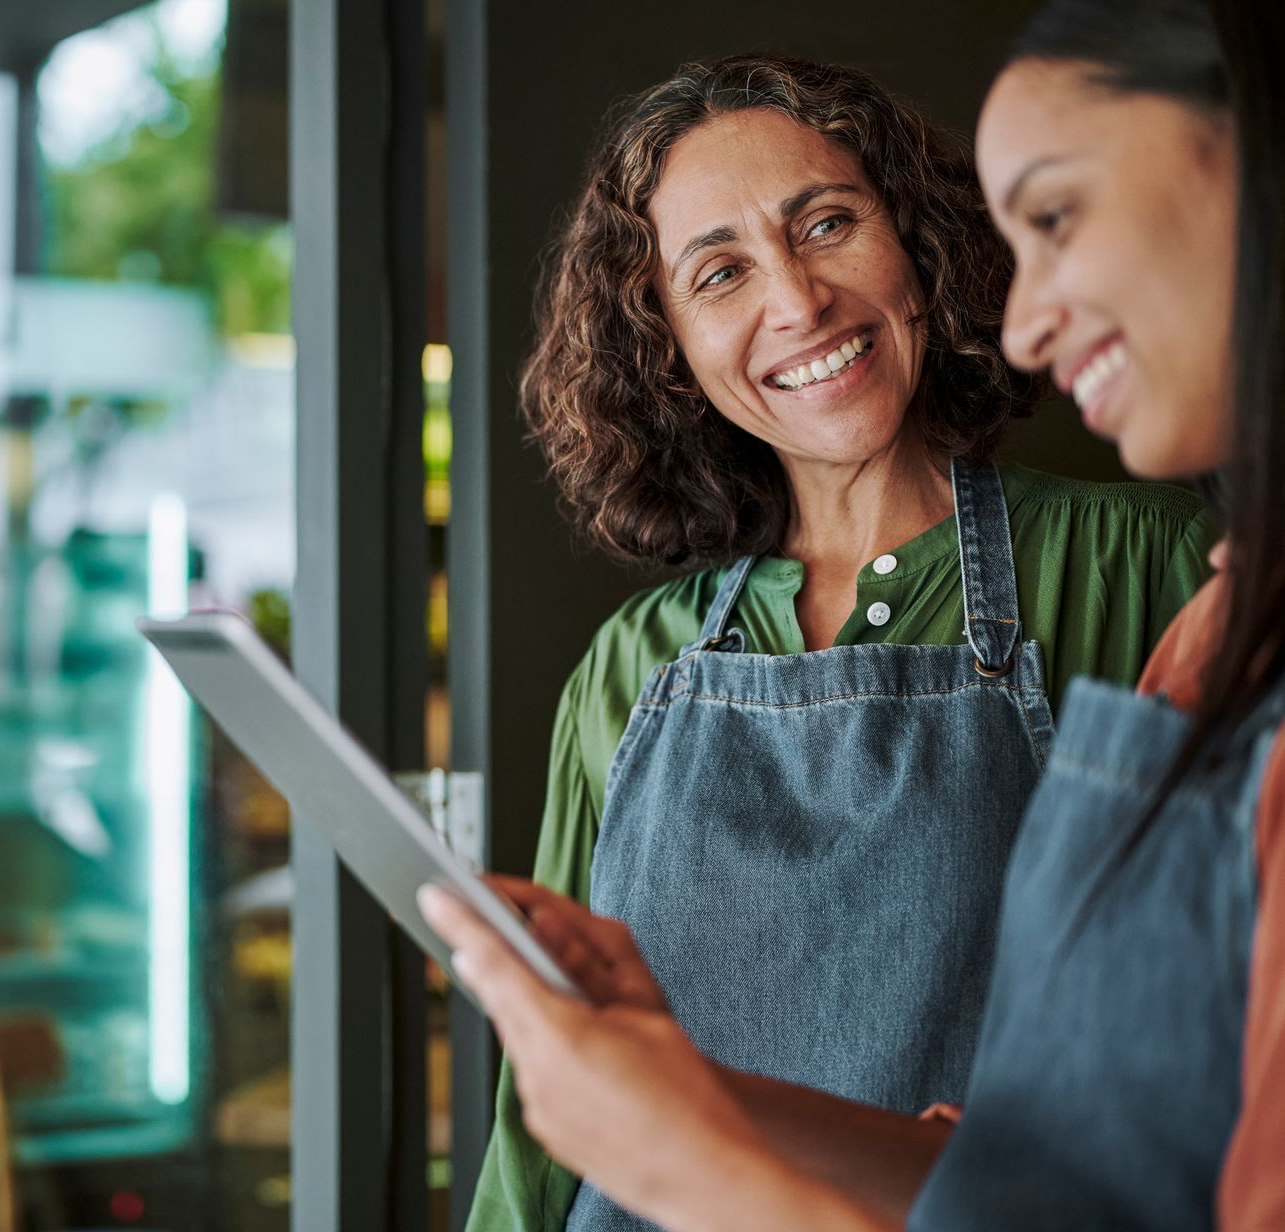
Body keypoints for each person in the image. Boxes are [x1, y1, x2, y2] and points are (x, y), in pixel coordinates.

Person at [426, 0, 1285, 1227]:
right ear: (662, 340)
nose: (798, 298)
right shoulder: (632, 667)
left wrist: (690, 1145)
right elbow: (541, 1126)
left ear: (921, 243)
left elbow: (1132, 1142)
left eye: (828, 223)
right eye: (718, 272)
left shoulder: (1153, 570)